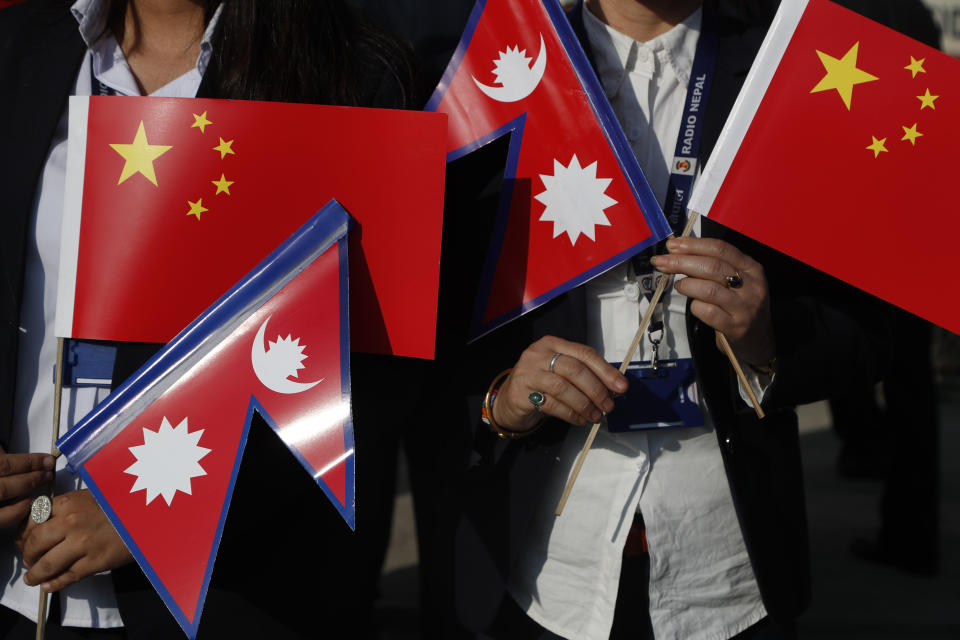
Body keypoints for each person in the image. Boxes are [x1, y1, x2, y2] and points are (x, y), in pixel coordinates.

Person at [448, 1, 890, 638]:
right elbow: (426, 349)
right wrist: (499, 402)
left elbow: (868, 333)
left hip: (728, 577)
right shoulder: (498, 68)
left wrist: (767, 338)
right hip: (541, 572)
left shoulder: (798, 70)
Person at [0, 0, 417, 637]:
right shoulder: (16, 46)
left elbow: (376, 367)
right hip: (15, 592)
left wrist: (159, 507)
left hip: (237, 596)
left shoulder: (357, 75)